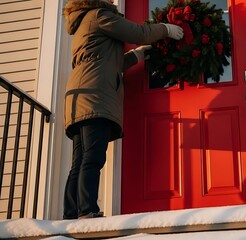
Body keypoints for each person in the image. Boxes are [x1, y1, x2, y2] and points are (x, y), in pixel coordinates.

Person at [62, 0, 183, 219]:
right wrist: (166, 28)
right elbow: (139, 32)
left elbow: (105, 61)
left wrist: (136, 56)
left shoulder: (82, 22)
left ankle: (71, 213)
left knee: (80, 159)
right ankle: (87, 209)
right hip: (94, 93)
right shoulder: (99, 15)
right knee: (93, 156)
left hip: (79, 94)